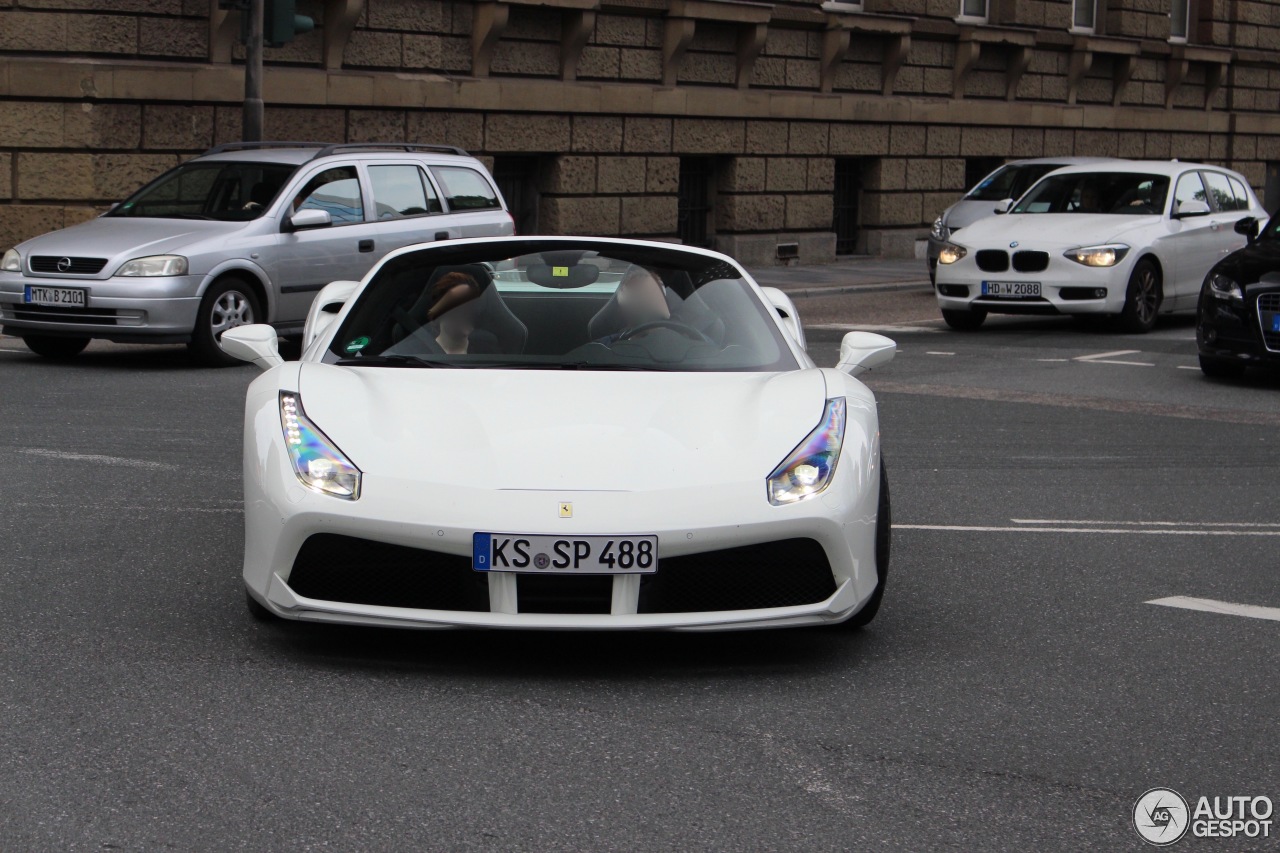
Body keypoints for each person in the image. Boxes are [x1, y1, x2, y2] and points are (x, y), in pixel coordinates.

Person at [425, 271, 499, 355]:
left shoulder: (487, 352)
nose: (464, 311)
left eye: (471, 304)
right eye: (456, 304)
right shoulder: (419, 354)